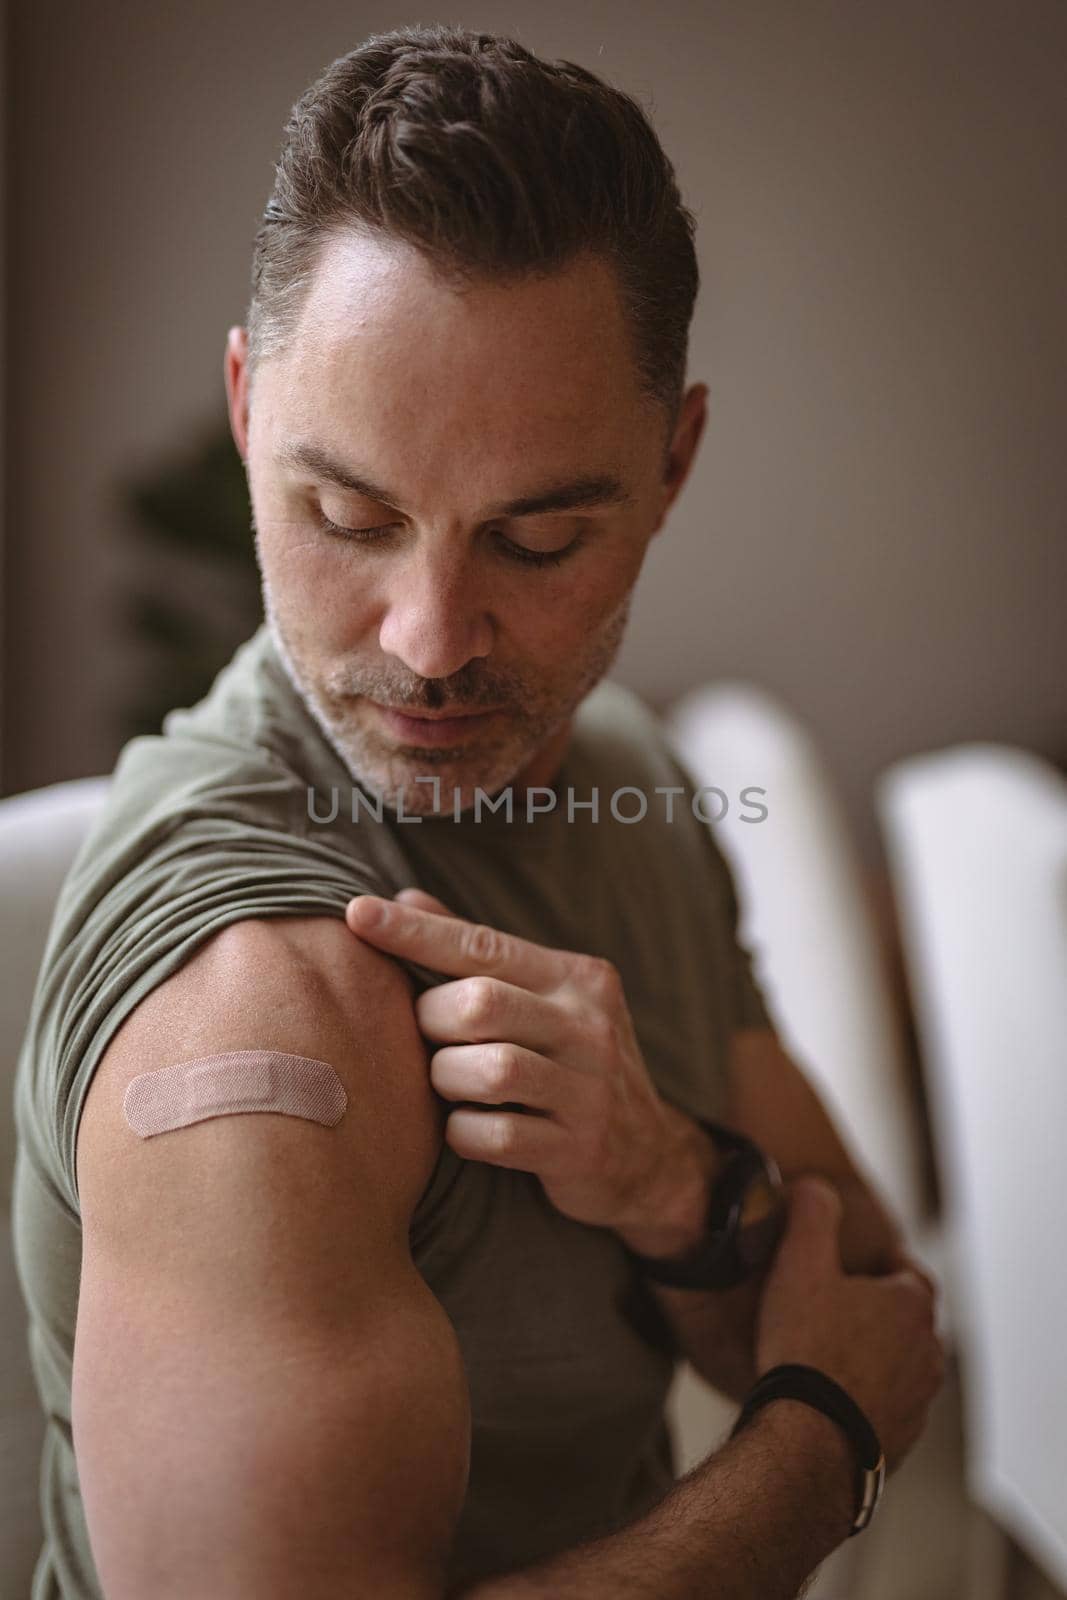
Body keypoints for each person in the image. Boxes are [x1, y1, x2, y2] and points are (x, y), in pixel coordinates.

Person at [11, 23, 944, 1599]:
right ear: (247, 414)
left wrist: (672, 1185)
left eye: (538, 540)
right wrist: (814, 1452)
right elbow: (858, 1380)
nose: (430, 642)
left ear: (672, 464)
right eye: (349, 516)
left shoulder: (630, 776)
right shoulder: (250, 1006)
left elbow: (869, 1297)